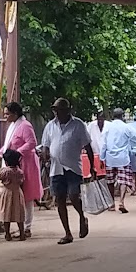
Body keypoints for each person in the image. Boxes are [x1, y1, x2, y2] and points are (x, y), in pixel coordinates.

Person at [40, 97, 96, 244]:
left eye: (61, 110)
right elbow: (45, 145)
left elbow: (88, 146)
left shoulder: (78, 125)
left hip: (73, 168)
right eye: (56, 110)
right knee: (60, 199)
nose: (58, 113)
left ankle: (82, 217)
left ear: (68, 111)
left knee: (73, 194)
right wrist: (45, 154)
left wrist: (92, 166)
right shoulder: (50, 126)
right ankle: (67, 233)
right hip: (56, 168)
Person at [0, 101, 42, 236]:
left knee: (27, 196)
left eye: (7, 114)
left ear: (15, 114)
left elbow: (32, 142)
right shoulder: (14, 126)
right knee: (19, 197)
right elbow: (7, 147)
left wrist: (18, 153)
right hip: (15, 163)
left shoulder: (25, 126)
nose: (5, 117)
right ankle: (21, 226)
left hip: (26, 164)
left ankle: (27, 227)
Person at [100, 108, 136, 212]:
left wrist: (102, 158)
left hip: (110, 158)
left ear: (113, 116)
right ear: (122, 116)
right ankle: (121, 202)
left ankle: (111, 204)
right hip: (122, 159)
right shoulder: (125, 127)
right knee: (123, 180)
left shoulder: (107, 127)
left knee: (110, 181)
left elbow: (104, 144)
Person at [0, 148, 26, 241]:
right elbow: (22, 181)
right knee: (19, 214)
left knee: (6, 214)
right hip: (17, 193)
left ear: (6, 162)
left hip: (7, 193)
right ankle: (22, 234)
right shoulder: (20, 171)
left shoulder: (5, 171)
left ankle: (7, 234)